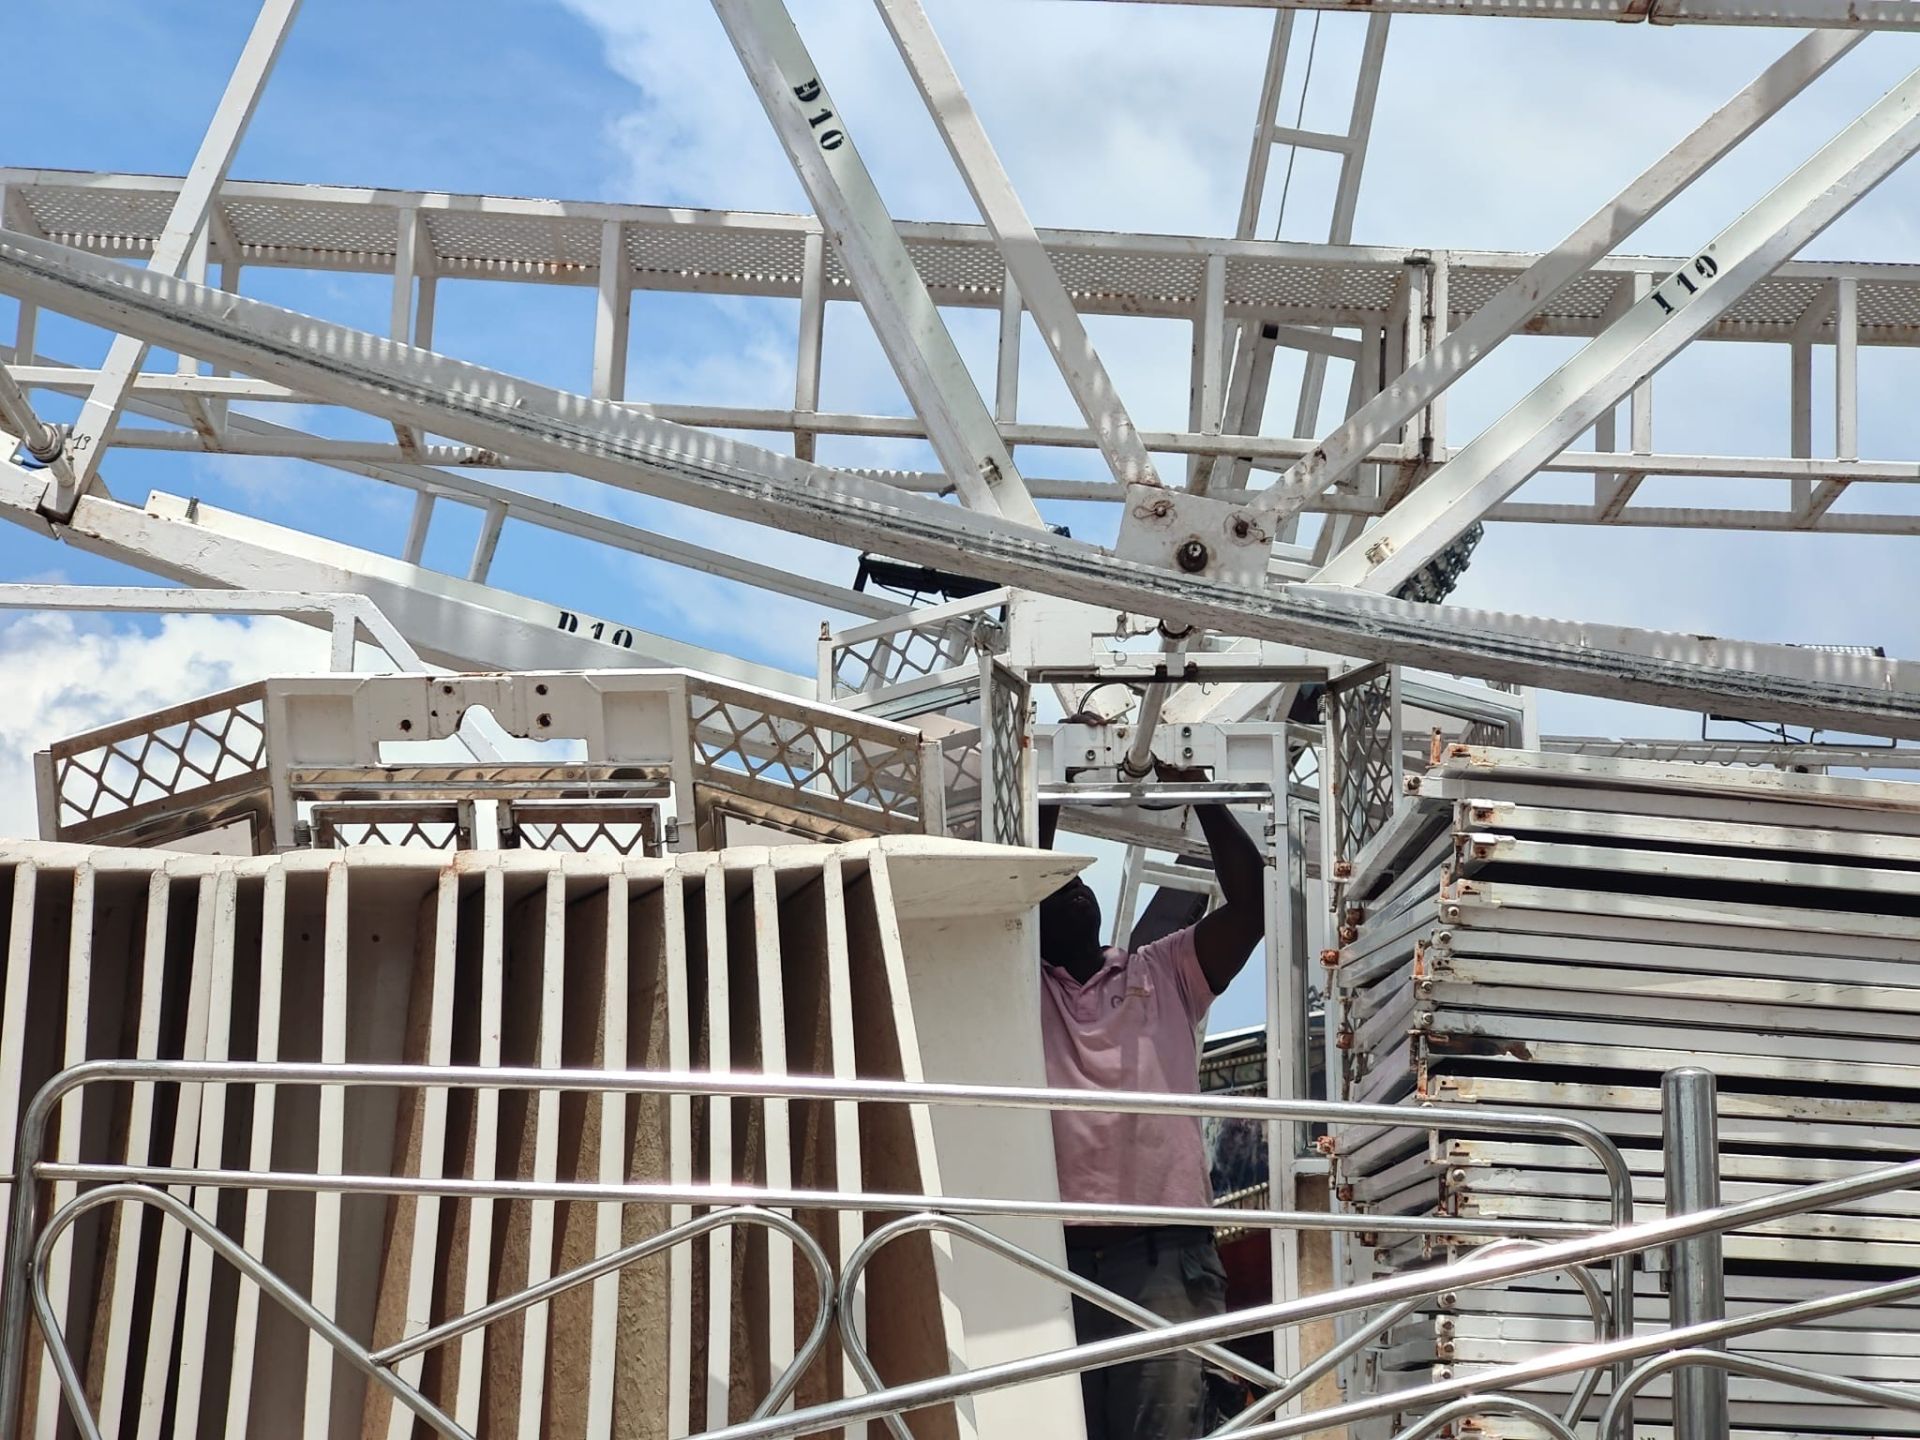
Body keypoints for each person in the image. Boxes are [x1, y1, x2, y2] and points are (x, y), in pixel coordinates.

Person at [1037, 743, 1267, 1440]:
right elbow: (1005, 878)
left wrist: (1204, 793)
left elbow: (1252, 906)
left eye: (1079, 880)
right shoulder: (1021, 986)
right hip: (1053, 1256)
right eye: (1052, 884)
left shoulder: (1162, 970)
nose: (1074, 885)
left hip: (1162, 1254)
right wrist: (1045, 786)